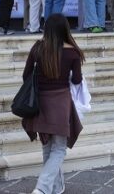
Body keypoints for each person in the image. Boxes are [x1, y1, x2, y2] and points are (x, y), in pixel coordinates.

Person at [22, 14, 85, 194]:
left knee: (48, 146)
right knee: (59, 149)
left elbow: (26, 76)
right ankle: (42, 188)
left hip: (40, 103)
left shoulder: (37, 48)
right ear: (65, 30)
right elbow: (77, 80)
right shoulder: (72, 52)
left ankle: (55, 188)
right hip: (60, 103)